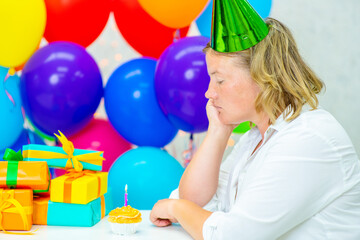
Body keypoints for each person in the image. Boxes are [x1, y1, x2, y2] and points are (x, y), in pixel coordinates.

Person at [150, 1, 360, 239]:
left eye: (219, 80)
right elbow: (195, 201)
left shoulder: (308, 139)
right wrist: (218, 132)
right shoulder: (255, 139)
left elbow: (233, 234)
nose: (209, 93)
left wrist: (176, 208)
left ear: (262, 77)